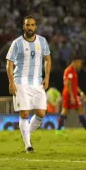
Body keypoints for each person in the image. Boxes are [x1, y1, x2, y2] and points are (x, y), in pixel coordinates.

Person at [6, 15, 51, 153]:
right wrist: (11, 82)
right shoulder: (17, 43)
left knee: (41, 113)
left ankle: (26, 133)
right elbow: (9, 63)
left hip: (37, 82)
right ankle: (28, 145)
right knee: (24, 113)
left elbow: (48, 59)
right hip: (20, 82)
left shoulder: (42, 41)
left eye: (32, 25)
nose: (30, 27)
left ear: (35, 26)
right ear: (23, 27)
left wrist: (47, 76)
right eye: (27, 25)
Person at [57, 55, 86, 135]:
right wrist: (72, 96)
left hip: (72, 94)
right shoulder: (69, 70)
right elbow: (68, 84)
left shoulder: (73, 71)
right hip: (68, 94)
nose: (80, 64)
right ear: (75, 62)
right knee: (66, 111)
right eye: (79, 62)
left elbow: (74, 85)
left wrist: (81, 92)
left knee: (75, 110)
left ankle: (59, 129)